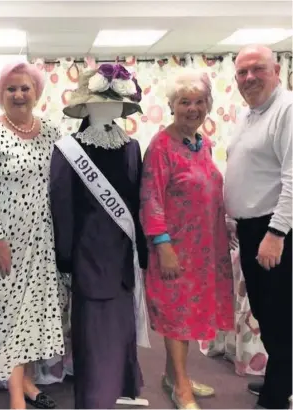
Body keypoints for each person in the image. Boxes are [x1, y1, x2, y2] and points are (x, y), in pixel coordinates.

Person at [49, 64, 149, 409]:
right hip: (88, 256)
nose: (107, 108)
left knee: (121, 335)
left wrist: (143, 252)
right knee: (93, 337)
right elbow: (62, 207)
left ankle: (116, 395)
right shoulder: (68, 149)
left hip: (123, 259)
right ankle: (93, 400)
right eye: (99, 101)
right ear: (86, 107)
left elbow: (137, 202)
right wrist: (65, 256)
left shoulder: (131, 147)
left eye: (113, 102)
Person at [0, 61, 66, 410]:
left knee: (31, 315)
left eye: (25, 87)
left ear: (36, 92)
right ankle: (15, 395)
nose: (19, 94)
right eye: (11, 88)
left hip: (42, 241)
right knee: (7, 315)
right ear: (0, 94)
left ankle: (25, 382)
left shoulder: (52, 132)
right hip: (4, 242)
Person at [140, 68, 234, 410]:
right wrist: (163, 246)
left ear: (207, 106)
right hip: (174, 249)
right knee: (176, 318)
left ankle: (172, 376)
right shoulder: (161, 146)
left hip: (204, 250)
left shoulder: (202, 143)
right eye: (184, 102)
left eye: (198, 102)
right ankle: (181, 388)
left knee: (189, 316)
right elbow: (150, 198)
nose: (192, 108)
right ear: (172, 106)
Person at [224, 44, 292, 409]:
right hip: (253, 230)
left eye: (257, 69)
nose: (249, 78)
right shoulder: (251, 114)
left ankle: (278, 394)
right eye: (242, 73)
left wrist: (277, 233)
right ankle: (284, 375)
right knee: (266, 311)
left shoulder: (287, 110)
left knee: (279, 312)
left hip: (275, 231)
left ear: (276, 70)